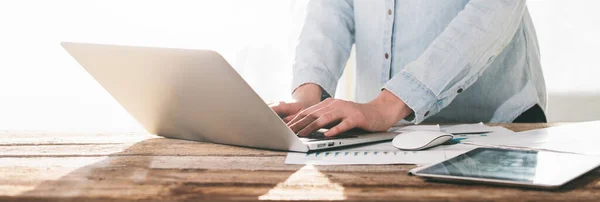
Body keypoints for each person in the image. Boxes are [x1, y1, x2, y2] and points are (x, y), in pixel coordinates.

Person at [271, 0, 547, 137]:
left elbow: (493, 8)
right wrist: (308, 96)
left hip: (496, 126)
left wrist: (388, 105)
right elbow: (333, 8)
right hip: (381, 136)